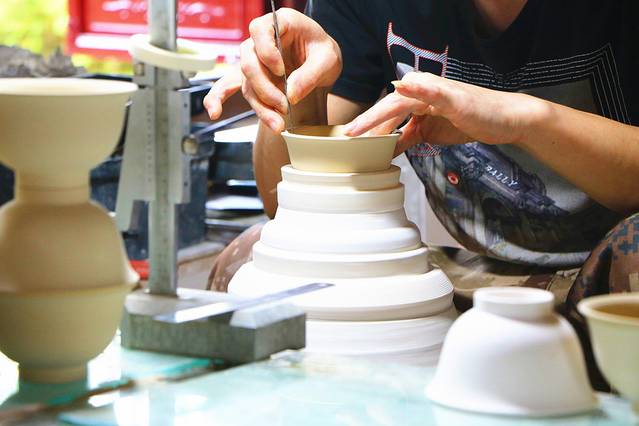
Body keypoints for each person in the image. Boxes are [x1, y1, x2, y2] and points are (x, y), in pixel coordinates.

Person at [203, 0, 639, 387]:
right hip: (478, 273)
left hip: (608, 279)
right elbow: (283, 202)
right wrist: (293, 86)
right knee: (252, 259)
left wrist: (527, 119)